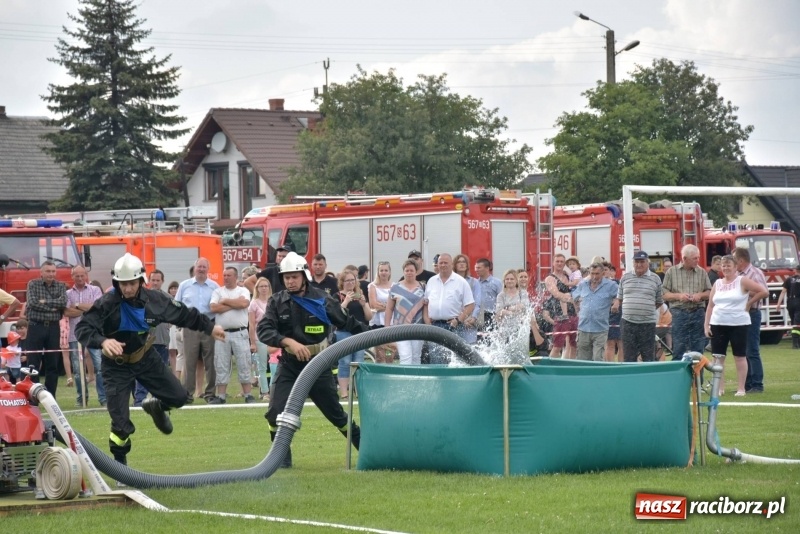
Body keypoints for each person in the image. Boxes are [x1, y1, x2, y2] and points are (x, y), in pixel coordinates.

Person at [75, 253, 225, 467]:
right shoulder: (106, 303)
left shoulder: (156, 300)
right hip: (115, 367)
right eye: (123, 284)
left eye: (132, 283)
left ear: (141, 281)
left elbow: (185, 315)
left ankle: (156, 406)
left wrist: (210, 327)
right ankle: (120, 466)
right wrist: (103, 341)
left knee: (180, 397)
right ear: (116, 283)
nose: (127, 289)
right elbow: (83, 328)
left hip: (146, 358)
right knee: (120, 424)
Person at [257, 252, 369, 468]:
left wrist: (378, 336)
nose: (290, 281)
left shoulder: (322, 300)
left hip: (318, 366)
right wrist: (287, 342)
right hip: (289, 365)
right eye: (286, 277)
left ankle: (367, 449)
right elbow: (264, 330)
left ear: (303, 276)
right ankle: (281, 459)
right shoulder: (277, 301)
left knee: (336, 416)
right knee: (274, 413)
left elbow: (348, 322)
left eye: (294, 277)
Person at [704, 255, 768, 396]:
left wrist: (749, 303)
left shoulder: (742, 281)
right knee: (718, 357)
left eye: (729, 265)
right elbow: (710, 305)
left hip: (738, 323)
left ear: (735, 267)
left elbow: (763, 291)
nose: (726, 268)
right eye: (723, 265)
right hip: (718, 323)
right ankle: (720, 388)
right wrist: (706, 325)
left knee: (739, 356)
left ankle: (741, 388)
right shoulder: (717, 283)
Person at [176, 257, 219, 403]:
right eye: (199, 267)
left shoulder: (214, 286)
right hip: (190, 327)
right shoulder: (184, 285)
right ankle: (188, 394)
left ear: (208, 269)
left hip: (208, 326)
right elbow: (178, 306)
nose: (201, 269)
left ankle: (210, 394)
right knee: (189, 361)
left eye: (204, 267)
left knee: (211, 361)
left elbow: (217, 307)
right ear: (194, 268)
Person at [208, 267, 254, 404]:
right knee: (221, 363)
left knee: (244, 362)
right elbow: (213, 308)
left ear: (235, 277)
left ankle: (248, 394)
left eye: (229, 275)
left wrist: (224, 301)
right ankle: (221, 396)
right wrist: (235, 304)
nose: (226, 278)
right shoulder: (218, 291)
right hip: (222, 333)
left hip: (240, 332)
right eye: (224, 275)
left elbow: (244, 303)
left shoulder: (243, 291)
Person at [611, 251, 663, 363]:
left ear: (647, 263)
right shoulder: (625, 277)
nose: (639, 264)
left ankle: (648, 379)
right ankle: (630, 380)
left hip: (647, 324)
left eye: (642, 262)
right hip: (628, 323)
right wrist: (616, 305)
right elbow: (619, 297)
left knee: (648, 357)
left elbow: (659, 301)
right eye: (636, 262)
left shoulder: (656, 279)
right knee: (629, 357)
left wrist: (645, 309)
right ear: (633, 263)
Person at [661, 244, 711, 360]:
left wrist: (700, 295)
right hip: (679, 313)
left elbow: (710, 292)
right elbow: (663, 294)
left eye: (698, 257)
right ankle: (680, 376)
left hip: (698, 312)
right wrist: (679, 296)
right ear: (684, 259)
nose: (698, 260)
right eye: (694, 258)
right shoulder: (671, 272)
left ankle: (697, 377)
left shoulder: (702, 272)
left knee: (698, 348)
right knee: (679, 347)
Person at [423, 253, 475, 363]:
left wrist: (458, 320)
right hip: (435, 326)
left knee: (454, 360)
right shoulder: (431, 281)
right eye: (440, 263)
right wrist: (427, 322)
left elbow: (470, 305)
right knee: (436, 359)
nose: (443, 265)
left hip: (454, 326)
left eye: (446, 263)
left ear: (452, 264)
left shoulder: (461, 282)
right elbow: (426, 303)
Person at [25, 261, 68, 396]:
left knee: (53, 363)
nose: (51, 274)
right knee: (33, 364)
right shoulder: (33, 284)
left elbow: (63, 302)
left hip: (54, 328)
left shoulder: (61, 286)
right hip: (35, 326)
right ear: (41, 273)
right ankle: (34, 395)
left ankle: (50, 396)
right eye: (48, 271)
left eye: (53, 271)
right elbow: (32, 303)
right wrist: (53, 308)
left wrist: (44, 302)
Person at [732, 247, 769, 393]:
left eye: (735, 260)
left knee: (752, 350)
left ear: (741, 260)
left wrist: (748, 302)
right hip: (740, 314)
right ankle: (747, 384)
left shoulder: (755, 273)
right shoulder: (738, 274)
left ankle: (757, 384)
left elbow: (764, 292)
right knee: (743, 350)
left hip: (752, 313)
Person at [134, 271, 172, 406]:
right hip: (145, 342)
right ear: (149, 281)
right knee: (143, 370)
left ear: (162, 281)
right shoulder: (141, 297)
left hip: (162, 341)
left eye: (158, 280)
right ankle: (139, 399)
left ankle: (160, 398)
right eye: (153, 280)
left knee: (161, 372)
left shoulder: (167, 298)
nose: (155, 283)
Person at [335, 270, 373, 398]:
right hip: (343, 332)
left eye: (353, 280)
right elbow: (336, 315)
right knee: (345, 362)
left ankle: (358, 390)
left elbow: (368, 317)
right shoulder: (337, 296)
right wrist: (346, 301)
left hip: (359, 333)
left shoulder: (360, 295)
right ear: (342, 282)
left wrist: (364, 305)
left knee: (358, 362)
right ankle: (344, 392)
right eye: (348, 280)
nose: (351, 283)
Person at [573, 262, 618, 362]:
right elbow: (574, 296)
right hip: (583, 328)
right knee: (582, 360)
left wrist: (616, 303)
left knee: (598, 359)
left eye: (597, 274)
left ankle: (599, 377)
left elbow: (620, 296)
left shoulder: (611, 285)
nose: (594, 276)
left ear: (603, 273)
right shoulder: (583, 284)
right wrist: (576, 307)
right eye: (592, 273)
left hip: (600, 329)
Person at [386, 259, 427, 364]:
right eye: (407, 270)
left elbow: (426, 307)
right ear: (403, 271)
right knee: (405, 357)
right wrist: (387, 327)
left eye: (411, 270)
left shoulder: (423, 287)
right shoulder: (395, 288)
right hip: (400, 328)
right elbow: (389, 308)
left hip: (418, 328)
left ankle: (416, 380)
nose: (409, 273)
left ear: (416, 272)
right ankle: (405, 379)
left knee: (416, 357)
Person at [249, 277, 277, 400]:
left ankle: (272, 389)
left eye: (266, 286)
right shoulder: (253, 303)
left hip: (273, 336)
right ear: (257, 288)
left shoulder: (273, 301)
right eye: (262, 286)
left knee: (275, 364)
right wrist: (252, 342)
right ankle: (264, 391)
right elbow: (251, 324)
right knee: (261, 366)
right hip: (259, 337)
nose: (264, 288)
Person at [545, 254, 577, 359]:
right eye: (557, 261)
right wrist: (568, 297)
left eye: (562, 261)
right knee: (557, 346)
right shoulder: (550, 278)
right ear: (553, 263)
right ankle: (549, 370)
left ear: (564, 264)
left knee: (574, 345)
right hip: (560, 315)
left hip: (572, 313)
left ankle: (572, 368)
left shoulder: (567, 277)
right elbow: (556, 294)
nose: (559, 263)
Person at [495, 268, 530, 362]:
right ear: (504, 281)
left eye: (512, 279)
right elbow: (498, 311)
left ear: (516, 281)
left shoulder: (522, 293)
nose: (509, 281)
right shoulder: (501, 295)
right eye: (507, 279)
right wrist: (511, 311)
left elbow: (524, 306)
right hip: (505, 329)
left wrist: (507, 309)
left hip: (520, 328)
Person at [368, 261, 394, 363]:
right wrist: (390, 306)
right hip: (378, 322)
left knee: (390, 351)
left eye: (386, 270)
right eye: (381, 270)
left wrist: (383, 305)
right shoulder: (372, 286)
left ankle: (390, 374)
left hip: (391, 322)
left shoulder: (394, 286)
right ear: (378, 272)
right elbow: (374, 305)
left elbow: (397, 304)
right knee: (380, 353)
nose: (383, 272)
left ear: (389, 272)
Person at [453, 254, 481, 344]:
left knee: (469, 350)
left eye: (463, 262)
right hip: (454, 321)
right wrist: (459, 319)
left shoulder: (474, 282)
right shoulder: (451, 281)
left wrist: (473, 318)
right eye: (459, 262)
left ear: (467, 265)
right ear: (455, 265)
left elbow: (477, 302)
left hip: (469, 323)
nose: (461, 264)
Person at [776, 264, 800, 349]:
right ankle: (796, 343)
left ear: (795, 270)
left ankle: (796, 342)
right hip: (798, 302)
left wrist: (778, 304)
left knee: (794, 322)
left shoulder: (789, 279)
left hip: (790, 303)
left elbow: (783, 292)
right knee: (797, 324)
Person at [475, 258, 502, 331]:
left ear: (487, 268)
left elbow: (502, 299)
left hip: (491, 315)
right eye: (476, 268)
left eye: (479, 268)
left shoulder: (497, 283)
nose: (476, 270)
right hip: (477, 316)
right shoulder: (475, 283)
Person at [604, 264, 623, 362]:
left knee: (621, 343)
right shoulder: (597, 284)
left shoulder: (617, 282)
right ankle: (609, 366)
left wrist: (616, 302)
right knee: (610, 344)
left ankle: (621, 367)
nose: (605, 272)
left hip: (619, 315)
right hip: (606, 316)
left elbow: (621, 296)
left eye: (607, 269)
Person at [167, 281, 183, 379]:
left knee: (180, 352)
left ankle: (179, 373)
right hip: (169, 327)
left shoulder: (180, 300)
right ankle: (174, 373)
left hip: (178, 327)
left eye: (175, 288)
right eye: (172, 288)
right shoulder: (167, 299)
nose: (173, 290)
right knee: (171, 351)